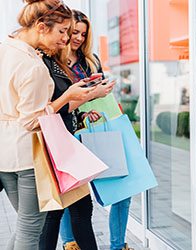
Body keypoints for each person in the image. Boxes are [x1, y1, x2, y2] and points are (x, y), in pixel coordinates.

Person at [0, 0, 92, 249]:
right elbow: (31, 120)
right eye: (62, 31)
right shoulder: (33, 66)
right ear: (41, 26)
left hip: (5, 154)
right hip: (28, 157)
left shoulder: (5, 49)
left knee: (24, 226)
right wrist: (68, 97)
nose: (65, 39)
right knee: (31, 232)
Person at [37, 4, 115, 250]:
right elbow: (52, 110)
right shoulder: (47, 63)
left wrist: (91, 98)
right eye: (68, 32)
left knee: (71, 211)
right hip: (57, 143)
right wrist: (91, 95)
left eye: (81, 33)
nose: (72, 38)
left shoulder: (80, 61)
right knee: (61, 213)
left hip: (68, 139)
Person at [57, 10, 132, 250]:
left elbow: (97, 97)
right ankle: (70, 244)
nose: (78, 38)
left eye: (83, 33)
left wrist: (103, 89)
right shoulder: (53, 62)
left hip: (98, 130)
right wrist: (93, 93)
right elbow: (57, 105)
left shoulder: (91, 60)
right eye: (74, 32)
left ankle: (117, 245)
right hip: (67, 135)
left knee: (123, 189)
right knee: (73, 195)